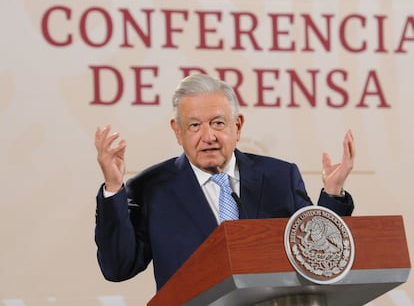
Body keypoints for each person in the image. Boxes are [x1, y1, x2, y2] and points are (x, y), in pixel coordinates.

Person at [94, 73, 355, 291]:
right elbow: (118, 267)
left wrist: (332, 194)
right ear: (178, 131)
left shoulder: (279, 177)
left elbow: (316, 253)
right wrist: (114, 189)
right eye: (194, 126)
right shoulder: (150, 188)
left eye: (218, 123)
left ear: (238, 126)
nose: (208, 136)